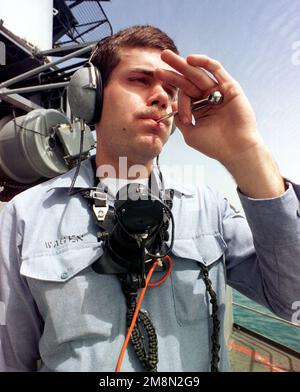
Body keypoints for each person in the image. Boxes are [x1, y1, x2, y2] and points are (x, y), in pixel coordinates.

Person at [0, 25, 300, 373]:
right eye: (141, 80)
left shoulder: (209, 208)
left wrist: (246, 151)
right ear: (89, 96)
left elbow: (292, 299)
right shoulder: (25, 218)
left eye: (171, 88)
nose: (162, 97)